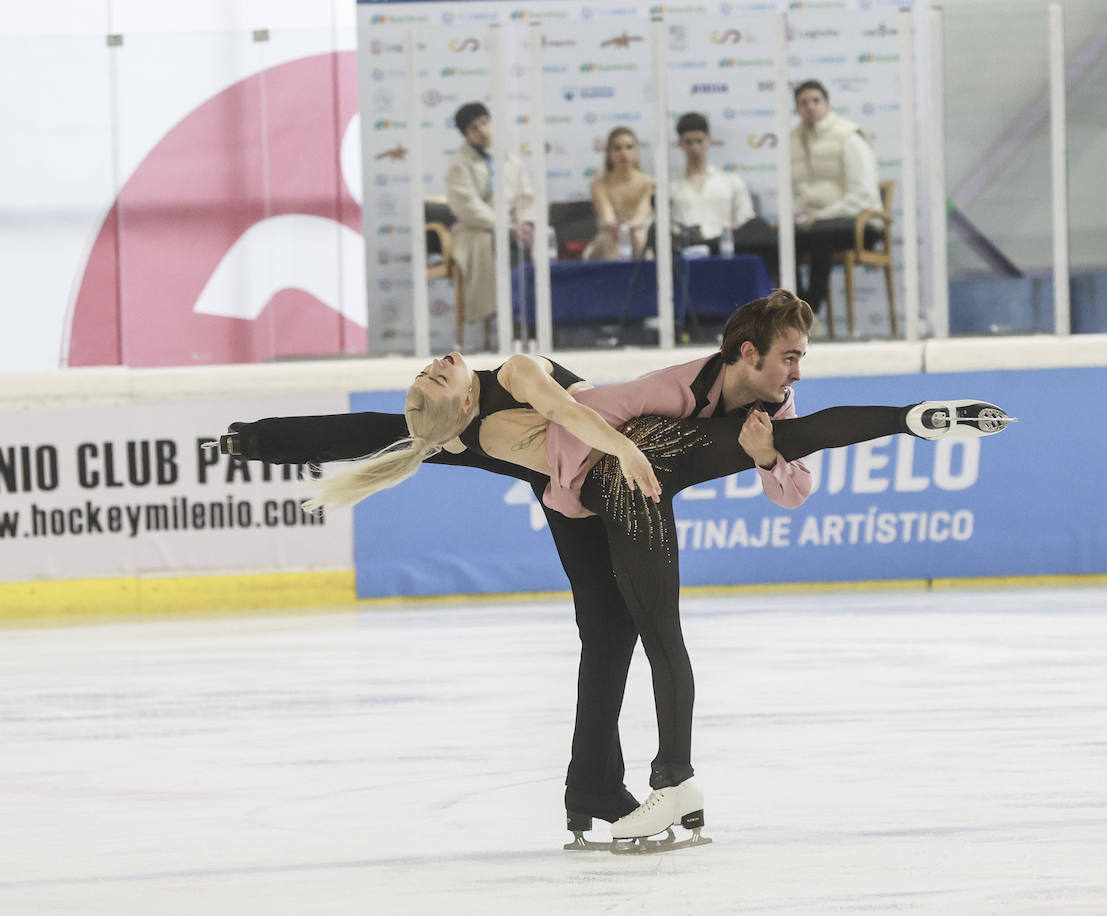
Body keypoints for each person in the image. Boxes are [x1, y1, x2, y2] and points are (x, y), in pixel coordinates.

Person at [297, 299, 1013, 850]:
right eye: (788, 357)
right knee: (654, 628)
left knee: (642, 621)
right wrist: (597, 482)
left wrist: (764, 459)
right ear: (745, 352)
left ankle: (617, 788)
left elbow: (793, 488)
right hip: (615, 479)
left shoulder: (772, 404)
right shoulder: (668, 386)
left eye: (800, 357)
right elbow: (587, 418)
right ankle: (672, 780)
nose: (796, 370)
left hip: (645, 478)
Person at [220, 292, 819, 846]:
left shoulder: (508, 377)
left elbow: (567, 411)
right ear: (459, 404)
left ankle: (592, 784)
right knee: (611, 631)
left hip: (600, 458)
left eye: (433, 367)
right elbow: (371, 432)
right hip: (579, 481)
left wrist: (628, 451)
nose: (439, 362)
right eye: (435, 375)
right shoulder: (456, 423)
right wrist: (254, 441)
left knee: (612, 632)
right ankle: (595, 784)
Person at [446, 102, 536, 347]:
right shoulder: (459, 163)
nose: (483, 131)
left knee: (532, 244)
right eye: (474, 128)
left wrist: (525, 222)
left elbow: (525, 197)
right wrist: (505, 226)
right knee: (501, 243)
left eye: (485, 123)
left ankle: (529, 318)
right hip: (477, 231)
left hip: (514, 230)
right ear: (466, 135)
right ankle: (513, 320)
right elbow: (468, 206)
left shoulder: (509, 160)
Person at [790, 79, 881, 316]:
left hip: (861, 222)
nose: (810, 107)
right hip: (815, 223)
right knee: (782, 240)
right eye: (803, 102)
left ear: (827, 104)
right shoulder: (792, 141)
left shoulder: (848, 137)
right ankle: (792, 311)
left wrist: (821, 216)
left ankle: (810, 313)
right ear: (797, 108)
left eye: (816, 101)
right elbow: (795, 191)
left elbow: (864, 195)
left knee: (821, 234)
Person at [668, 112, 756, 250]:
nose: (694, 148)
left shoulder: (731, 181)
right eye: (688, 142)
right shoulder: (670, 187)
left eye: (699, 141)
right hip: (685, 253)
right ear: (680, 143)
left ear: (709, 141)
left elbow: (746, 220)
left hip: (725, 252)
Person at [583, 126, 654, 261]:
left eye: (629, 147)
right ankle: (613, 280)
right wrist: (618, 227)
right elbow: (607, 218)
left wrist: (628, 226)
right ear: (609, 153)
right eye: (617, 148)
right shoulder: (598, 185)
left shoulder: (649, 183)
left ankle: (648, 280)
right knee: (610, 237)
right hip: (609, 236)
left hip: (638, 232)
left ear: (637, 151)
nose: (624, 153)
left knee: (639, 236)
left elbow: (642, 216)